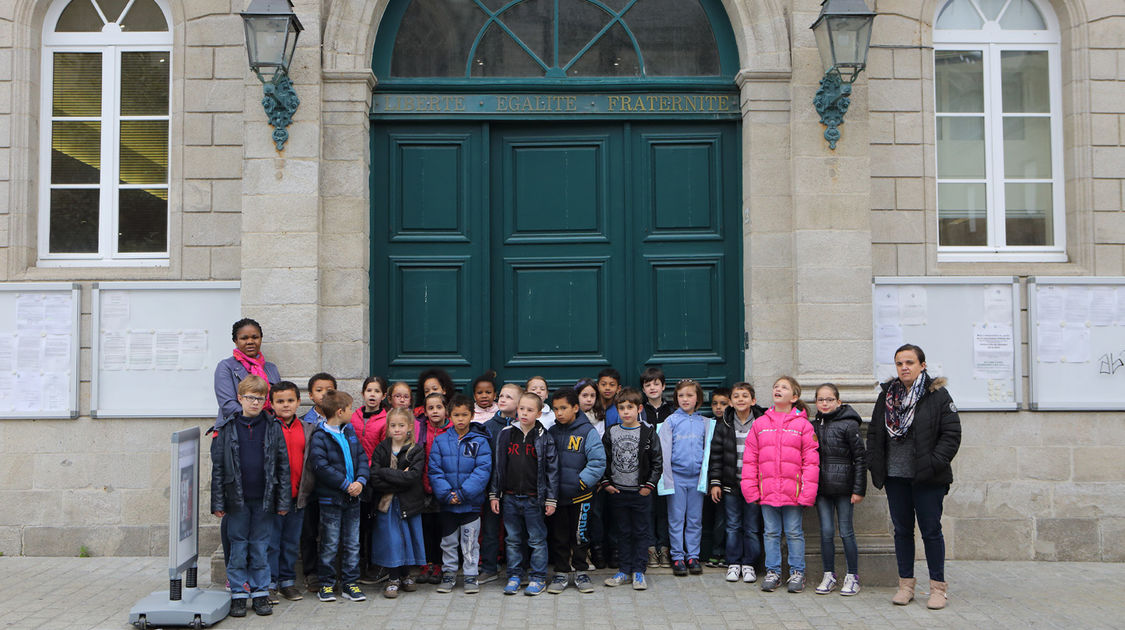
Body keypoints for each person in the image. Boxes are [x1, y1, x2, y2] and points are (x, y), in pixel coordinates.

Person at [867, 344, 961, 610]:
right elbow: (875, 432)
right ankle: (906, 586)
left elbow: (951, 435)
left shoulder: (938, 396)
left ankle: (937, 589)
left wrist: (933, 464)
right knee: (902, 531)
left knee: (931, 531)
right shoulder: (886, 396)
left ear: (922, 366)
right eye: (899, 363)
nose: (904, 367)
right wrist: (876, 464)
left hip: (928, 477)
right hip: (896, 476)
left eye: (909, 362)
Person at [210, 375, 290, 618]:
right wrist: (218, 502)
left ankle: (260, 593)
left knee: (260, 547)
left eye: (259, 398)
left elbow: (283, 466)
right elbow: (219, 468)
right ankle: (238, 594)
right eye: (250, 398)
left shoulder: (273, 427)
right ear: (239, 398)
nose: (254, 403)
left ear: (265, 401)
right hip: (237, 500)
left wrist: (283, 500)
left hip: (264, 499)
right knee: (237, 547)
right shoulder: (227, 428)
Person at [741, 376, 819, 594]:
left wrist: (807, 492)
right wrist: (751, 488)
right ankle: (773, 572)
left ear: (794, 397)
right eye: (776, 386)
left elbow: (811, 461)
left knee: (794, 532)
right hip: (767, 491)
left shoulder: (803, 425)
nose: (778, 389)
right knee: (771, 532)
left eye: (784, 387)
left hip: (792, 492)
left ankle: (797, 573)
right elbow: (750, 458)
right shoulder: (760, 424)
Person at [489, 392, 559, 596]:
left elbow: (552, 470)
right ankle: (514, 575)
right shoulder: (506, 433)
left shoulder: (545, 437)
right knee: (512, 539)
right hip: (509, 496)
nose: (524, 413)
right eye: (522, 409)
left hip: (534, 497)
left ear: (538, 413)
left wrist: (551, 499)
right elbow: (498, 466)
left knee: (536, 539)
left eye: (530, 410)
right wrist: (495, 494)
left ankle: (537, 577)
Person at [308, 390, 369, 603]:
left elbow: (362, 457)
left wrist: (360, 481)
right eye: (351, 408)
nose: (353, 412)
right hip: (331, 500)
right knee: (330, 542)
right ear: (340, 411)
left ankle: (350, 582)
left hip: (353, 498)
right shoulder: (320, 435)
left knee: (353, 543)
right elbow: (321, 466)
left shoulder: (350, 431)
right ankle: (326, 583)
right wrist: (345, 485)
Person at [428, 394, 492, 594]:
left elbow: (483, 470)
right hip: (448, 503)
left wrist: (464, 494)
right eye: (456, 415)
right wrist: (447, 494)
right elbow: (435, 470)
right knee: (448, 541)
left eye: (465, 414)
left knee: (470, 541)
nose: (461, 419)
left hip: (470, 503)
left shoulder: (480, 442)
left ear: (472, 415)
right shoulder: (440, 441)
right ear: (450, 415)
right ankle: (449, 573)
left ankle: (471, 574)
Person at [600, 387, 662, 591]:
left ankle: (638, 571)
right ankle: (624, 570)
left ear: (639, 409)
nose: (626, 412)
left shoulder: (648, 432)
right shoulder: (611, 432)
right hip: (618, 492)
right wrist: (606, 483)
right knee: (623, 532)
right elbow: (603, 460)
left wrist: (649, 486)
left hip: (640, 492)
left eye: (630, 407)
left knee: (641, 532)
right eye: (622, 408)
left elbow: (657, 462)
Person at [546, 387, 606, 594]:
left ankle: (581, 571)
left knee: (580, 536)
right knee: (559, 536)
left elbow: (598, 462)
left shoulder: (587, 432)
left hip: (581, 497)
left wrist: (581, 483)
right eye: (555, 409)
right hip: (558, 498)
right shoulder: (551, 432)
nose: (559, 413)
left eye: (564, 408)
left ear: (575, 408)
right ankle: (561, 572)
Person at [811, 383, 867, 596]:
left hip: (844, 488)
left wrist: (859, 489)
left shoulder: (849, 424)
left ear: (838, 402)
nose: (825, 403)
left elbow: (860, 458)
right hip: (822, 488)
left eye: (829, 399)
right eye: (821, 400)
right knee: (826, 533)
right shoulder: (814, 425)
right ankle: (829, 574)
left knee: (846, 531)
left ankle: (852, 576)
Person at [708, 382, 766, 585]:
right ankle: (733, 562)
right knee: (732, 525)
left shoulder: (761, 422)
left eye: (745, 396)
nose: (740, 399)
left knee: (751, 526)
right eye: (736, 396)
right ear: (730, 402)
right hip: (731, 483)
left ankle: (749, 563)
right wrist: (715, 482)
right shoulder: (724, 424)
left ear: (753, 400)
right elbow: (716, 455)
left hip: (754, 484)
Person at [368, 408, 427, 599]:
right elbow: (375, 478)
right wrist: (398, 475)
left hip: (408, 503)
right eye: (393, 425)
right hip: (387, 504)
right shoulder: (382, 449)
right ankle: (393, 577)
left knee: (407, 538)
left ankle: (406, 574)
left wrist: (386, 473)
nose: (397, 429)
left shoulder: (415, 450)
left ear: (409, 427)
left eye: (401, 425)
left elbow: (413, 477)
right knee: (391, 539)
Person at [658, 378, 714, 577]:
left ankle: (693, 556)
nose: (685, 399)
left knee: (694, 519)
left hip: (696, 478)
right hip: (677, 478)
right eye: (681, 395)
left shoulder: (704, 423)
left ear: (698, 398)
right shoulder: (671, 421)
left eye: (690, 395)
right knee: (676, 519)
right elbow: (664, 451)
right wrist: (667, 479)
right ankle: (677, 556)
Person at [266, 381, 311, 602]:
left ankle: (287, 582)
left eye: (290, 401)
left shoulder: (306, 428)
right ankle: (270, 582)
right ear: (272, 404)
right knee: (272, 542)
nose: (286, 405)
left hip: (298, 495)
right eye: (280, 401)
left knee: (291, 542)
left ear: (298, 402)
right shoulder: (268, 427)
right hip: (274, 497)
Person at [478, 382, 523, 583]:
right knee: (490, 529)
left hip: (517, 488)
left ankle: (518, 568)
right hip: (493, 488)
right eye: (501, 396)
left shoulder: (524, 427)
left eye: (509, 397)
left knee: (517, 531)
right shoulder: (488, 427)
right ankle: (489, 566)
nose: (502, 399)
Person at [298, 372, 336, 592]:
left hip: (332, 484)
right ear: (311, 395)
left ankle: (331, 570)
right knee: (309, 530)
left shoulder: (339, 421)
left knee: (331, 529)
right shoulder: (304, 422)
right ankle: (311, 572)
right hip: (310, 484)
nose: (324, 394)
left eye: (329, 390)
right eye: (319, 390)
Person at [350, 375, 388, 584]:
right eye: (369, 391)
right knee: (358, 523)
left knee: (373, 522)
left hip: (374, 477)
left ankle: (375, 565)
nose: (372, 395)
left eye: (376, 391)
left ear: (383, 395)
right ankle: (357, 564)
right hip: (355, 477)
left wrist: (374, 470)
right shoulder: (353, 416)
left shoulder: (385, 419)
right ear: (362, 393)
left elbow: (384, 450)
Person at [213, 318, 281, 425]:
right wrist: (257, 420)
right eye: (244, 338)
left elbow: (278, 400)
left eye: (255, 337)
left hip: (268, 428)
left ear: (261, 339)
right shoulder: (226, 366)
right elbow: (227, 405)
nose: (250, 342)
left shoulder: (271, 368)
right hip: (235, 428)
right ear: (236, 341)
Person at [416, 391, 451, 584]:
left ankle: (439, 565)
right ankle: (425, 565)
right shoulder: (421, 429)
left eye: (439, 407)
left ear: (446, 410)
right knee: (425, 528)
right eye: (431, 408)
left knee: (441, 529)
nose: (435, 411)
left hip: (443, 487)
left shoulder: (452, 430)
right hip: (422, 486)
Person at [639, 367, 673, 569]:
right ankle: (650, 548)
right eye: (648, 384)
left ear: (663, 386)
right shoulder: (641, 411)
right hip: (646, 469)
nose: (652, 388)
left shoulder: (672, 411)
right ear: (643, 389)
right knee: (647, 510)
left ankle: (665, 548)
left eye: (656, 384)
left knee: (664, 510)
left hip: (668, 469)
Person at [702, 386, 732, 567]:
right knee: (714, 518)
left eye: (723, 403)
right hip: (710, 478)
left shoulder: (733, 425)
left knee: (727, 519)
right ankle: (715, 550)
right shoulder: (709, 424)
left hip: (728, 478)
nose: (719, 407)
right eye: (715, 404)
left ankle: (725, 552)